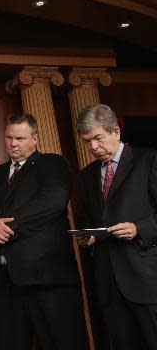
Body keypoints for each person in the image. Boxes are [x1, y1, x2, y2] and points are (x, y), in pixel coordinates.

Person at [0, 113, 88, 350]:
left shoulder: (53, 164)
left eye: (20, 138)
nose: (13, 144)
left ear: (34, 139)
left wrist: (4, 229)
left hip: (48, 281)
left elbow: (51, 204)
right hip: (4, 285)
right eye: (9, 138)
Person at [75, 103, 157, 349]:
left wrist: (139, 229)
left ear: (116, 132)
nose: (93, 147)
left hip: (146, 279)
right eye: (87, 142)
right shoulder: (86, 176)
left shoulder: (149, 160)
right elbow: (93, 221)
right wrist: (90, 237)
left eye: (98, 139)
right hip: (109, 284)